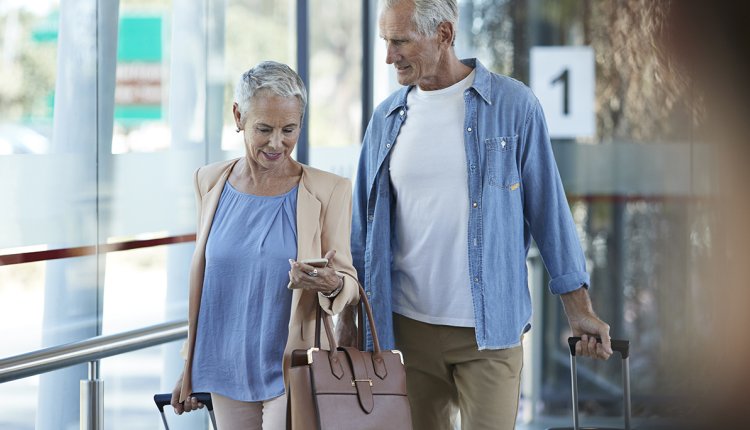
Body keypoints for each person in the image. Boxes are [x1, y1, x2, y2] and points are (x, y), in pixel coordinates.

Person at [346, 1, 613, 428]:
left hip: (488, 333)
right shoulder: (386, 119)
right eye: (385, 41)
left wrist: (578, 308)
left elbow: (550, 212)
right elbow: (362, 230)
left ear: (445, 35)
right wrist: (353, 323)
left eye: (400, 41)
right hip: (404, 331)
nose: (388, 56)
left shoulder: (513, 106)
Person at [169, 61, 359, 430]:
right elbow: (209, 286)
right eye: (264, 129)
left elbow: (348, 281)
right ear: (238, 116)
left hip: (293, 369)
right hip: (225, 368)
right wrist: (188, 367)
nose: (277, 143)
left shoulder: (329, 190)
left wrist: (331, 283)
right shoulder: (209, 182)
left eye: (289, 129)